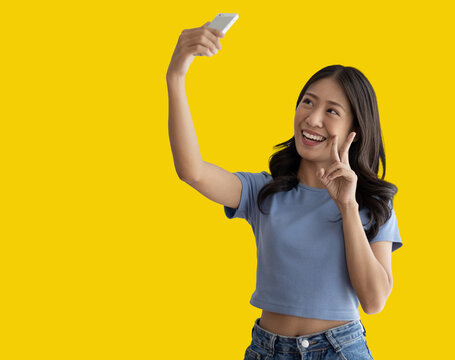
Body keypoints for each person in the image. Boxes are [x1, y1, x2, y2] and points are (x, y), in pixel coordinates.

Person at [167, 21, 402, 360]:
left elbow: (374, 301)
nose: (312, 118)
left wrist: (348, 206)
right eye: (308, 102)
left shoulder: (371, 203)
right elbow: (192, 171)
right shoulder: (263, 192)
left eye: (332, 111)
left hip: (340, 350)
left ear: (356, 129)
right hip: (268, 350)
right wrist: (176, 77)